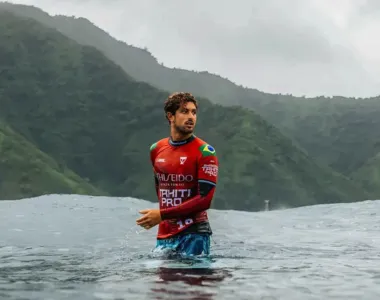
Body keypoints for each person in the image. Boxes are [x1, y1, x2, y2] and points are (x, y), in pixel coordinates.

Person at [136, 92, 219, 257]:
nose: (191, 117)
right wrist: (164, 217)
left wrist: (162, 214)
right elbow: (160, 186)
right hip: (165, 233)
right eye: (184, 111)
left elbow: (205, 200)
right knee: (160, 282)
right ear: (170, 116)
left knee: (188, 281)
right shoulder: (156, 149)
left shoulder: (205, 152)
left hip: (194, 234)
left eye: (194, 112)